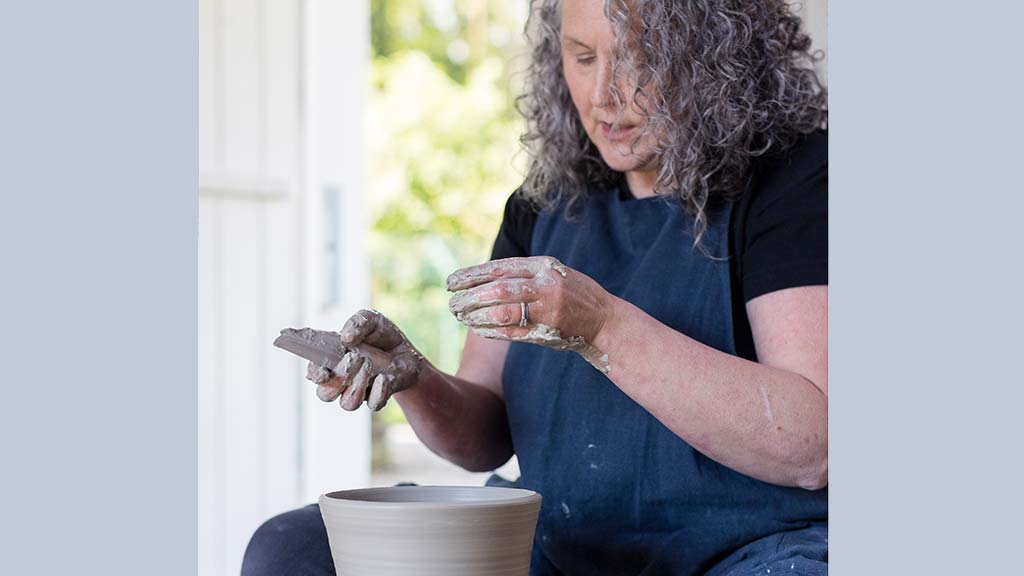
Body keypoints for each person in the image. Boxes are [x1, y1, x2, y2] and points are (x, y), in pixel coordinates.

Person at [242, 0, 828, 573]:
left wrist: (601, 326)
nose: (604, 95)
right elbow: (484, 440)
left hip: (753, 551)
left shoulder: (797, 179)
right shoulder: (544, 204)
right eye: (582, 57)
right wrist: (414, 376)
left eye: (641, 56)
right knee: (293, 549)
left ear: (715, 56)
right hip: (561, 543)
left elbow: (814, 446)